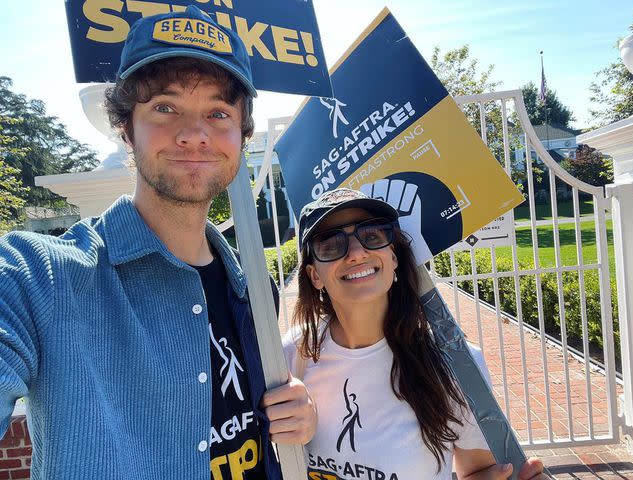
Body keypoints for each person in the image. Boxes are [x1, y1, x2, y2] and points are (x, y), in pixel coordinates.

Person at [0, 6, 315, 479]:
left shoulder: (254, 289)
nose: (194, 134)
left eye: (218, 112)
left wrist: (297, 409)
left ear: (241, 135)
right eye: (164, 107)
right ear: (126, 129)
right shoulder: (44, 278)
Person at [278, 188, 548, 480]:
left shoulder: (453, 364)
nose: (356, 253)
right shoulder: (293, 355)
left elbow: (478, 472)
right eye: (331, 244)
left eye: (372, 235)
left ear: (393, 258)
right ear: (314, 275)